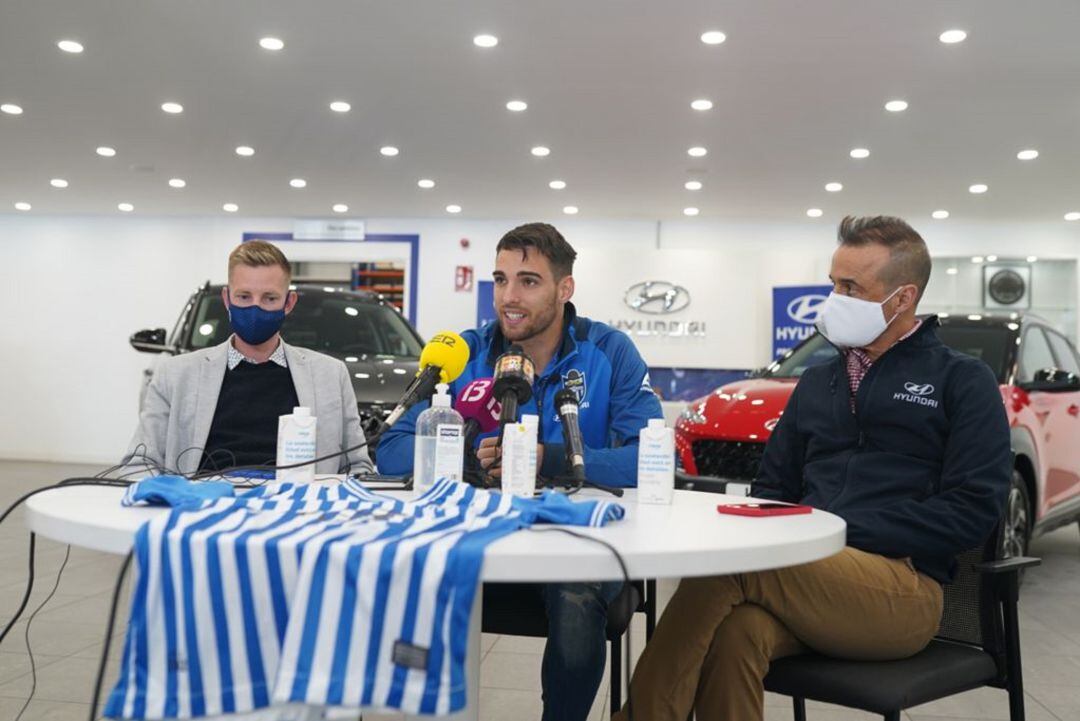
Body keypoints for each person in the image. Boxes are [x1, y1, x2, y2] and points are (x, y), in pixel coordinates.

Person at [613, 216, 1011, 721]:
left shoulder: (962, 381)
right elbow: (771, 488)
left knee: (729, 565)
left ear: (903, 298)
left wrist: (836, 529)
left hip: (903, 592)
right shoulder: (817, 381)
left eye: (852, 287)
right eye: (833, 283)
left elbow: (973, 511)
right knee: (738, 635)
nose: (835, 298)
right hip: (810, 580)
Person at [377, 222, 663, 721]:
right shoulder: (462, 352)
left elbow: (652, 457)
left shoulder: (610, 351)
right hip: (472, 545)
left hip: (572, 549)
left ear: (564, 288)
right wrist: (465, 459)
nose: (509, 296)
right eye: (500, 279)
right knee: (391, 571)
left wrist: (547, 459)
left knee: (577, 593)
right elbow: (393, 447)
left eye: (528, 281)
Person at [123, 240, 373, 476]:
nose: (255, 308)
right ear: (226, 299)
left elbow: (358, 466)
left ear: (288, 303)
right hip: (203, 507)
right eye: (244, 297)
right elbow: (138, 464)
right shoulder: (175, 374)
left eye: (270, 298)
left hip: (297, 509)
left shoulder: (330, 375)